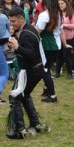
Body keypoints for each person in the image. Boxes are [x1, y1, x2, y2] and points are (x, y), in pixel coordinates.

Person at [6, 7, 49, 139]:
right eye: (10, 22)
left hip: (31, 70)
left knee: (15, 97)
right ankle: (35, 124)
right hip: (34, 69)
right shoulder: (29, 29)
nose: (11, 24)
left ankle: (19, 130)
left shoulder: (27, 33)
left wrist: (17, 47)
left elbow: (30, 54)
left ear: (21, 18)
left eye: (13, 21)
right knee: (24, 95)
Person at [35, 0, 60, 102]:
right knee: (47, 68)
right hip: (55, 44)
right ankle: (46, 90)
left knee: (45, 70)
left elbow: (38, 31)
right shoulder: (58, 14)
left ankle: (53, 95)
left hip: (47, 45)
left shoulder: (45, 15)